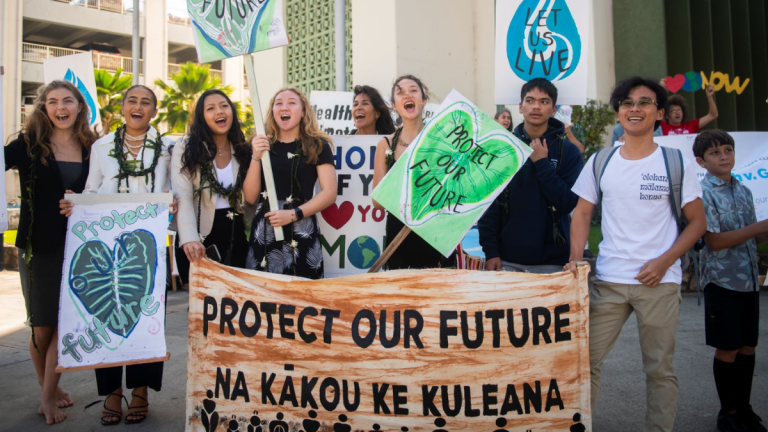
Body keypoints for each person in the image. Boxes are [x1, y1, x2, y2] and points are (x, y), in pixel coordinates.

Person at [565, 76, 707, 432]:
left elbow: (697, 223)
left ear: (659, 113)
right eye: (627, 103)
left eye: (644, 103)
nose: (635, 109)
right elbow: (581, 213)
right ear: (618, 113)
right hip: (609, 281)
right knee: (585, 363)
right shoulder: (601, 160)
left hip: (659, 283)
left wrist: (664, 261)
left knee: (659, 370)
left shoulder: (676, 162)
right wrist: (576, 257)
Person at [60, 84, 176, 426]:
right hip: (106, 243)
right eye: (132, 101)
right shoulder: (101, 147)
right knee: (104, 318)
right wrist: (75, 204)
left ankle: (140, 389)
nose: (138, 106)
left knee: (147, 317)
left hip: (150, 247)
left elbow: (176, 189)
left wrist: (173, 203)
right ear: (122, 107)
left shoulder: (170, 147)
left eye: (146, 102)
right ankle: (112, 392)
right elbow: (92, 190)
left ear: (154, 111)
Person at [6, 80, 96, 425]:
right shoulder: (27, 145)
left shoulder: (92, 146)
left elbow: (106, 188)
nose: (61, 107)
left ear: (79, 106)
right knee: (41, 325)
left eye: (68, 101)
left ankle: (46, 396)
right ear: (43, 108)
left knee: (63, 324)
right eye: (53, 101)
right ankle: (49, 387)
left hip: (82, 246)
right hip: (38, 245)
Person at [694, 130, 767, 432]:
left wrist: (762, 232)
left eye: (727, 150)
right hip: (722, 282)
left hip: (750, 280)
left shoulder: (744, 190)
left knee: (748, 346)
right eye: (715, 153)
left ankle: (746, 408)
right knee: (728, 348)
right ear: (701, 161)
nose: (723, 156)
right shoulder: (702, 194)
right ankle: (729, 412)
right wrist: (760, 227)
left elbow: (755, 236)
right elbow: (714, 242)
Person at [479, 78, 582, 273]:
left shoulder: (569, 152)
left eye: (544, 102)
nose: (536, 107)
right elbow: (490, 204)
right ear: (520, 106)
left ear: (553, 109)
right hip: (507, 261)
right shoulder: (502, 149)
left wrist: (542, 164)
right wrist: (491, 251)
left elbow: (567, 203)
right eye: (530, 100)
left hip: (553, 263)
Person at [244, 87, 337, 279]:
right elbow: (250, 197)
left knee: (303, 296)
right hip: (266, 229)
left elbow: (329, 192)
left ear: (303, 112)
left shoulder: (317, 145)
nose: (284, 107)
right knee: (263, 296)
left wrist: (294, 214)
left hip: (302, 228)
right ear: (273, 112)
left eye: (292, 103)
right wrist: (255, 157)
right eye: (279, 103)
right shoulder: (262, 145)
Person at [372, 75, 455, 269]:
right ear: (394, 105)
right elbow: (376, 201)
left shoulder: (443, 140)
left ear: (424, 100)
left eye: (413, 90)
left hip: (437, 233)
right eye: (400, 92)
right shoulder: (384, 145)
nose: (407, 94)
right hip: (399, 237)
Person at [173, 89, 252, 274]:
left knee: (235, 299)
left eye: (224, 106)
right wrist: (189, 238)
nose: (219, 111)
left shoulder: (243, 149)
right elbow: (182, 195)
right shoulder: (185, 148)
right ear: (202, 117)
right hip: (197, 232)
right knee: (200, 300)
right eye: (211, 108)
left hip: (235, 232)